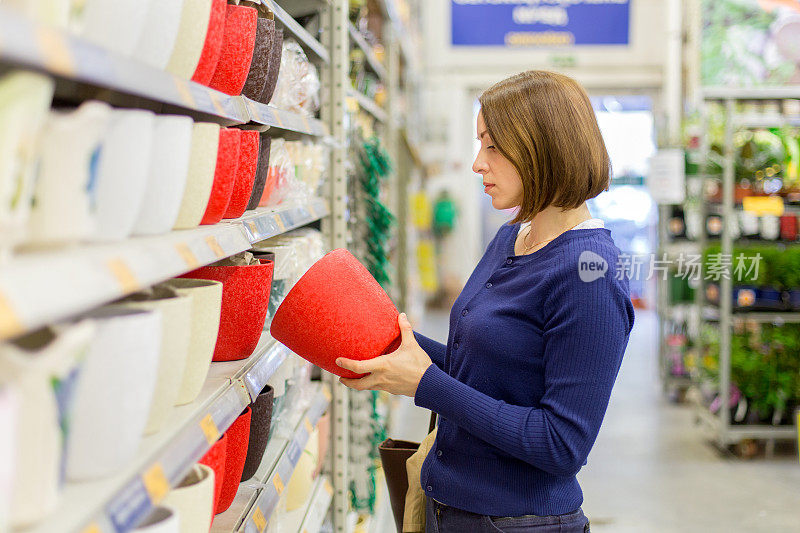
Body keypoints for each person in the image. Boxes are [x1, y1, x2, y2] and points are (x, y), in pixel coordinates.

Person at [336, 70, 635, 533]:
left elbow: (562, 444)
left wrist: (424, 384)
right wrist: (399, 348)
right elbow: (490, 361)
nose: (477, 163)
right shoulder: (512, 238)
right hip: (447, 503)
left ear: (544, 147)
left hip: (515, 521)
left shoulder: (588, 274)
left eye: (493, 146)